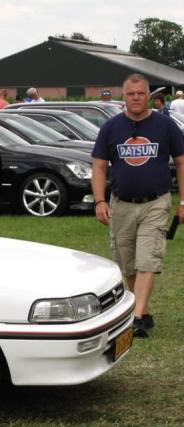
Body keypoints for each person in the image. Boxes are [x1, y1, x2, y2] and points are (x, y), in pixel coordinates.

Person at [91, 73, 184, 338]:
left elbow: (181, 162)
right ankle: (142, 309)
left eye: (141, 93)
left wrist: (183, 201)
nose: (136, 98)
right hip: (120, 204)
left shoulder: (165, 126)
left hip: (155, 202)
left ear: (149, 95)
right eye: (131, 94)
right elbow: (98, 167)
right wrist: (99, 201)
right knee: (127, 263)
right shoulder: (111, 128)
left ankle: (137, 317)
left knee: (147, 259)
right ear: (124, 96)